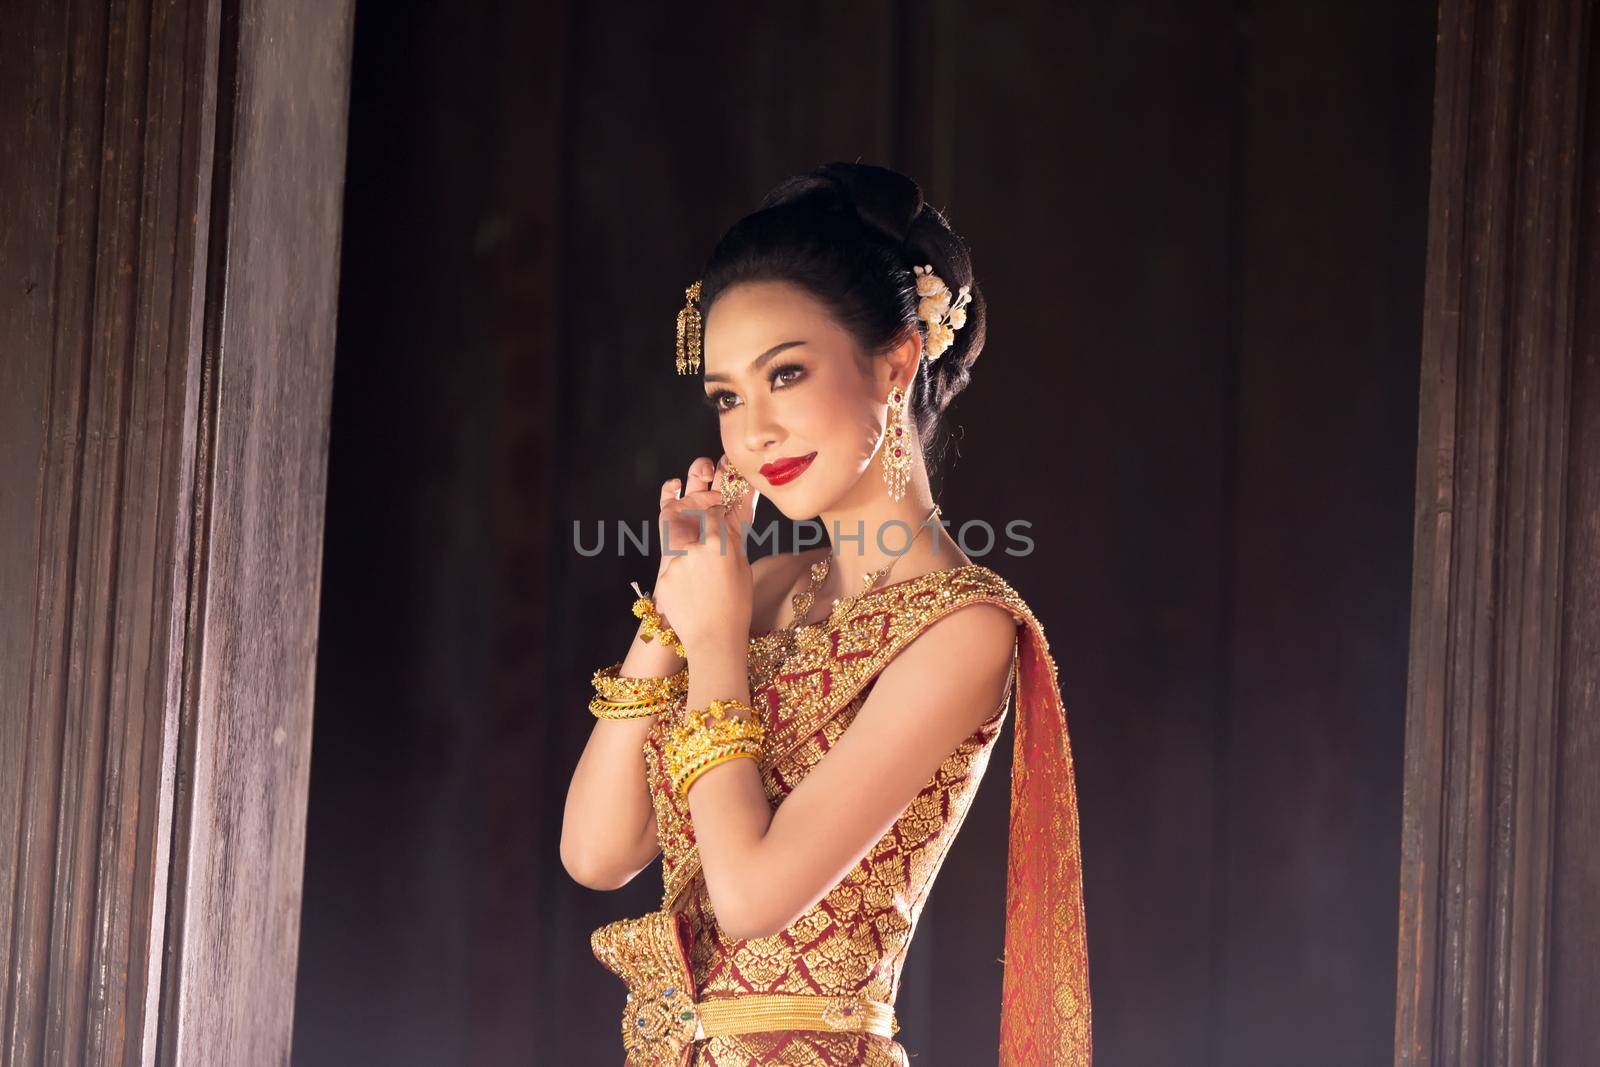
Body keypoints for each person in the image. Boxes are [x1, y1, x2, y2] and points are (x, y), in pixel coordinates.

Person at [561, 162, 1090, 1066]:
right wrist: (669, 611)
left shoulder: (965, 628)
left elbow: (751, 897)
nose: (752, 430)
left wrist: (718, 639)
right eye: (728, 396)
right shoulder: (759, 586)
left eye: (787, 374)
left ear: (894, 366)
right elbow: (598, 853)